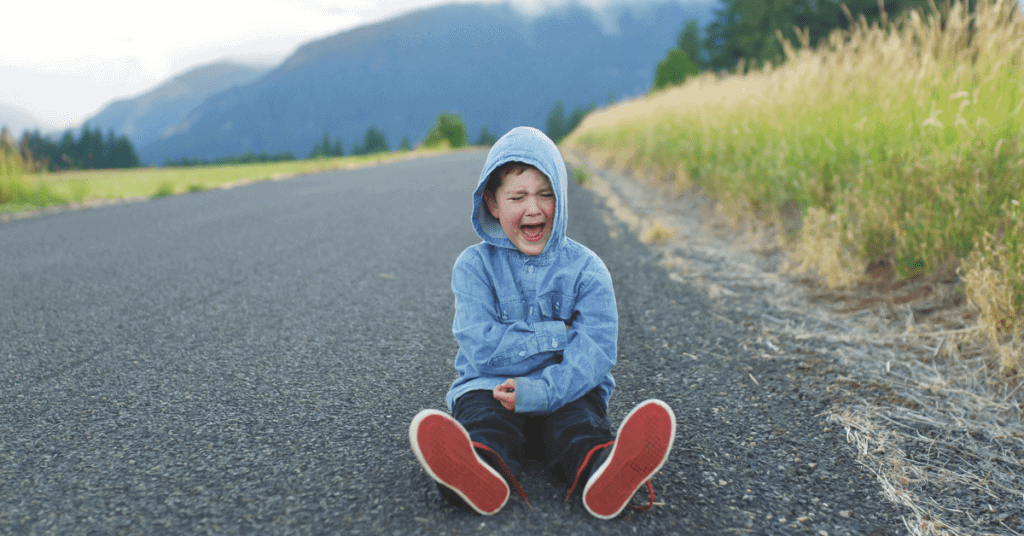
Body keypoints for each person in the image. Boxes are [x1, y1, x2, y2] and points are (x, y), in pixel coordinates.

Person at [409, 126, 675, 519]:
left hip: (567, 389)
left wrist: (541, 392)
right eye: (517, 197)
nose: (534, 209)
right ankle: (474, 471)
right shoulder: (474, 267)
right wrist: (557, 334)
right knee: (485, 424)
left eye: (546, 195)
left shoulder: (588, 271)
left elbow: (595, 354)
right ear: (493, 203)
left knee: (577, 429)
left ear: (562, 199)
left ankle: (606, 470)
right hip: (490, 388)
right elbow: (481, 347)